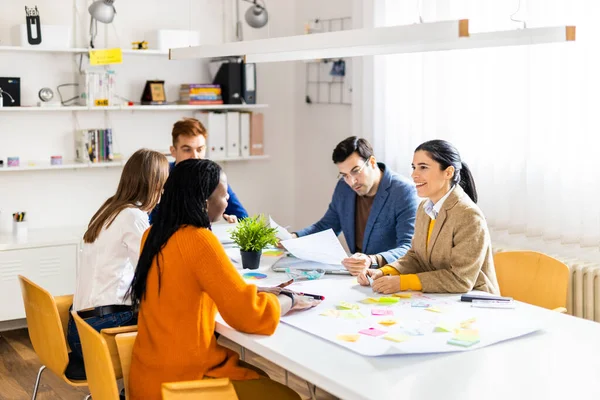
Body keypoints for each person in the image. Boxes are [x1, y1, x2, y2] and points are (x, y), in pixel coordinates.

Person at [128, 159, 319, 400]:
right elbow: (248, 315)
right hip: (183, 384)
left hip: (148, 378)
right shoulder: (199, 240)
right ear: (204, 199)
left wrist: (258, 290)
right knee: (285, 395)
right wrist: (288, 299)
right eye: (224, 192)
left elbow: (185, 287)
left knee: (258, 374)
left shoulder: (152, 234)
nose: (228, 199)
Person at [67, 149, 170, 367]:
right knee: (173, 327)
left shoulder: (109, 208)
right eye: (163, 186)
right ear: (153, 185)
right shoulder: (133, 217)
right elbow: (155, 272)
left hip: (79, 329)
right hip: (100, 330)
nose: (162, 194)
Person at [358, 139, 500, 294]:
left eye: (423, 167)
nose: (414, 174)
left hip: (474, 301)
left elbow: (461, 280)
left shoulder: (469, 215)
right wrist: (385, 271)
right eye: (414, 167)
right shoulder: (424, 208)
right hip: (440, 299)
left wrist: (402, 282)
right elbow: (416, 257)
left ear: (448, 172)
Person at [292, 136, 419, 275]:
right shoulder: (344, 187)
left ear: (372, 162)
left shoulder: (403, 191)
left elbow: (408, 247)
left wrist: (372, 260)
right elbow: (326, 226)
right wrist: (294, 238)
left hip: (389, 275)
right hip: (356, 275)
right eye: (345, 175)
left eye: (355, 171)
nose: (352, 181)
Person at [148, 117, 248, 224]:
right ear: (173, 151)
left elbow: (245, 220)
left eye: (200, 149)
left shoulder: (214, 178)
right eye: (187, 149)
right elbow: (147, 222)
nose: (195, 156)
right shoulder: (160, 176)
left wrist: (236, 224)